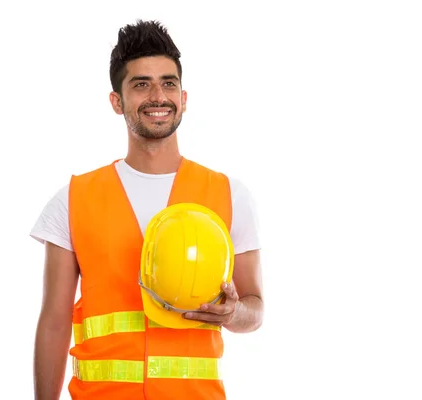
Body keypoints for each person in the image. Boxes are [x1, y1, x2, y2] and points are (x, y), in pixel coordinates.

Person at [30, 19, 264, 400]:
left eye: (168, 83)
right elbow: (54, 322)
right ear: (116, 101)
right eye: (141, 84)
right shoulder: (73, 198)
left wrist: (233, 314)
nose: (158, 96)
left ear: (184, 97)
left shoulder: (228, 194)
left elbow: (255, 309)